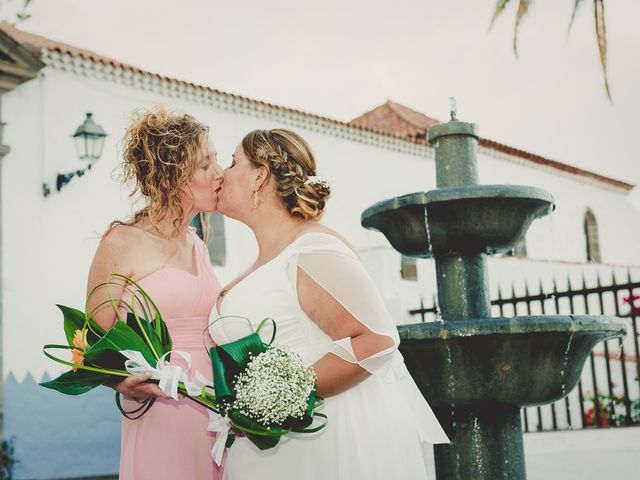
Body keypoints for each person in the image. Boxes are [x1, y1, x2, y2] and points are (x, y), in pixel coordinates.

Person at [210, 129, 449, 479]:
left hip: (321, 446)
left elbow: (376, 339)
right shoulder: (264, 258)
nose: (222, 173)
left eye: (233, 163)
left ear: (259, 175)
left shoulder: (312, 249)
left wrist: (271, 401)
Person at [86, 106, 224, 480]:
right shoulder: (122, 242)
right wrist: (121, 382)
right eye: (205, 165)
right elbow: (88, 347)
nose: (219, 175)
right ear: (170, 177)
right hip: (163, 407)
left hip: (215, 409)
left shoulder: (197, 242)